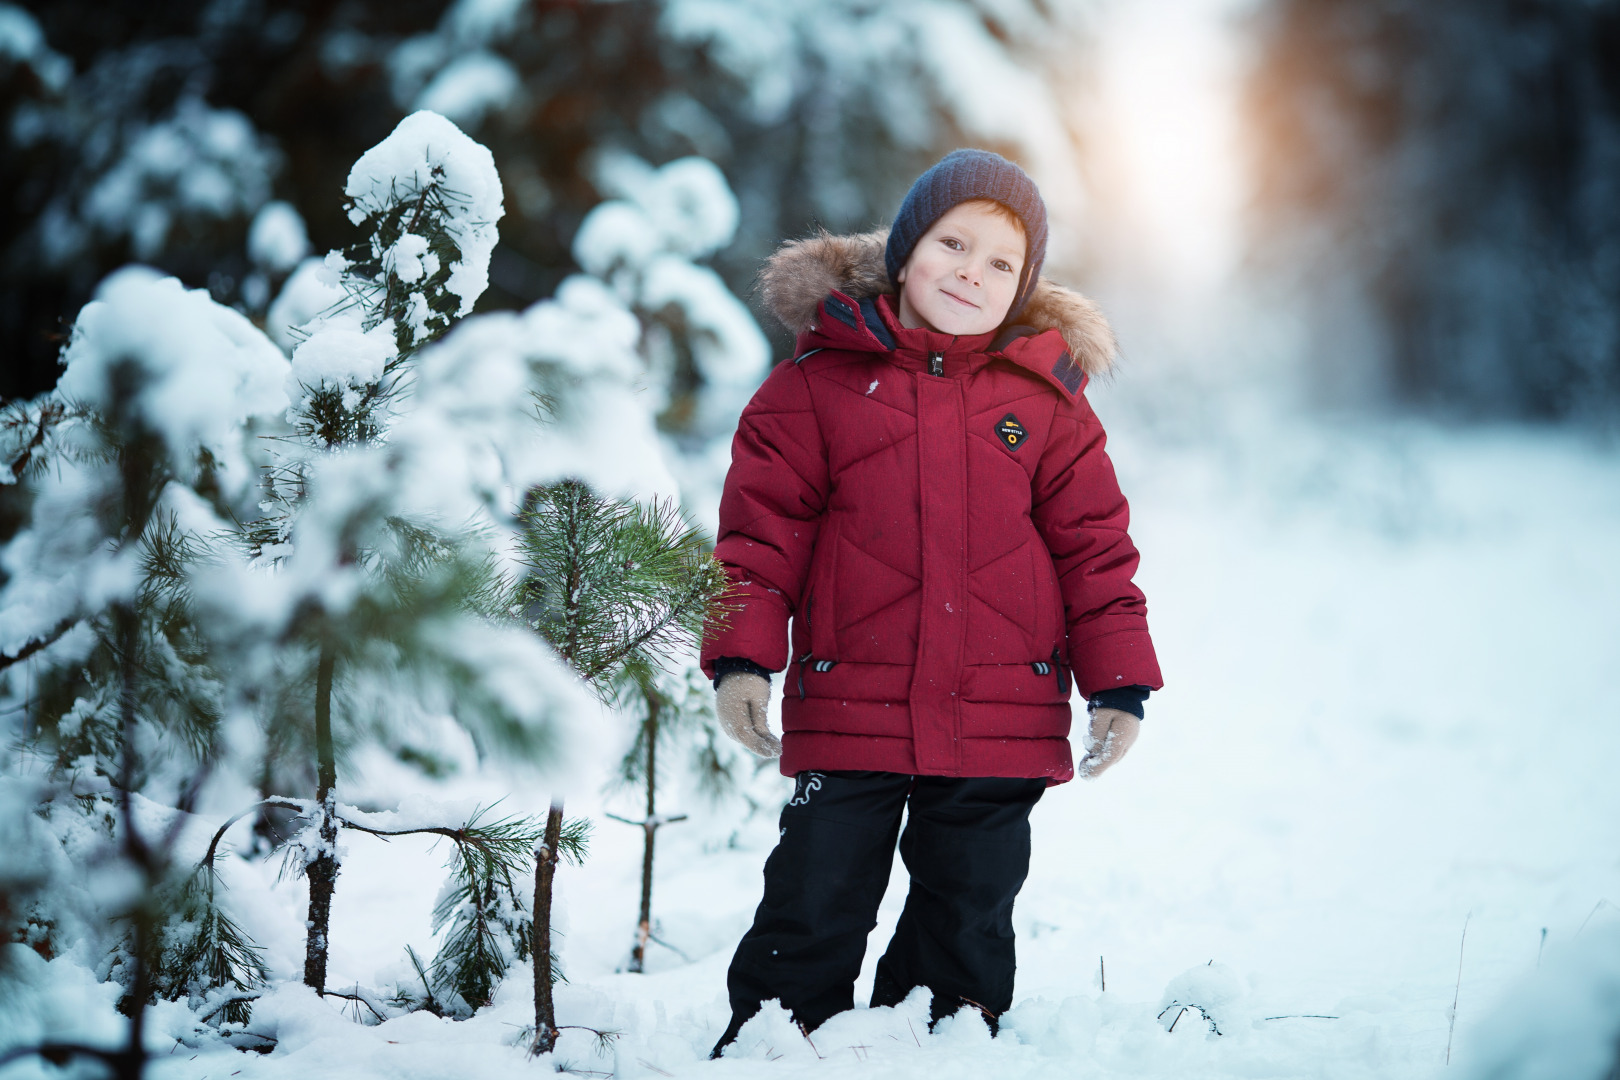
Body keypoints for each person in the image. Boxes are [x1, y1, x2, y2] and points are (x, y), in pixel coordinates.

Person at [700, 148, 1162, 1056]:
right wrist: (744, 659)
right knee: (816, 892)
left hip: (1001, 708)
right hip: (849, 696)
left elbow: (1095, 548)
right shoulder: (814, 389)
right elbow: (760, 535)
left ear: (1023, 288)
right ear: (905, 252)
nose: (971, 273)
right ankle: (774, 1047)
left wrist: (1118, 683)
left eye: (1001, 263)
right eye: (954, 243)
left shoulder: (1047, 403)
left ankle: (942, 1046)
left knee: (970, 907)